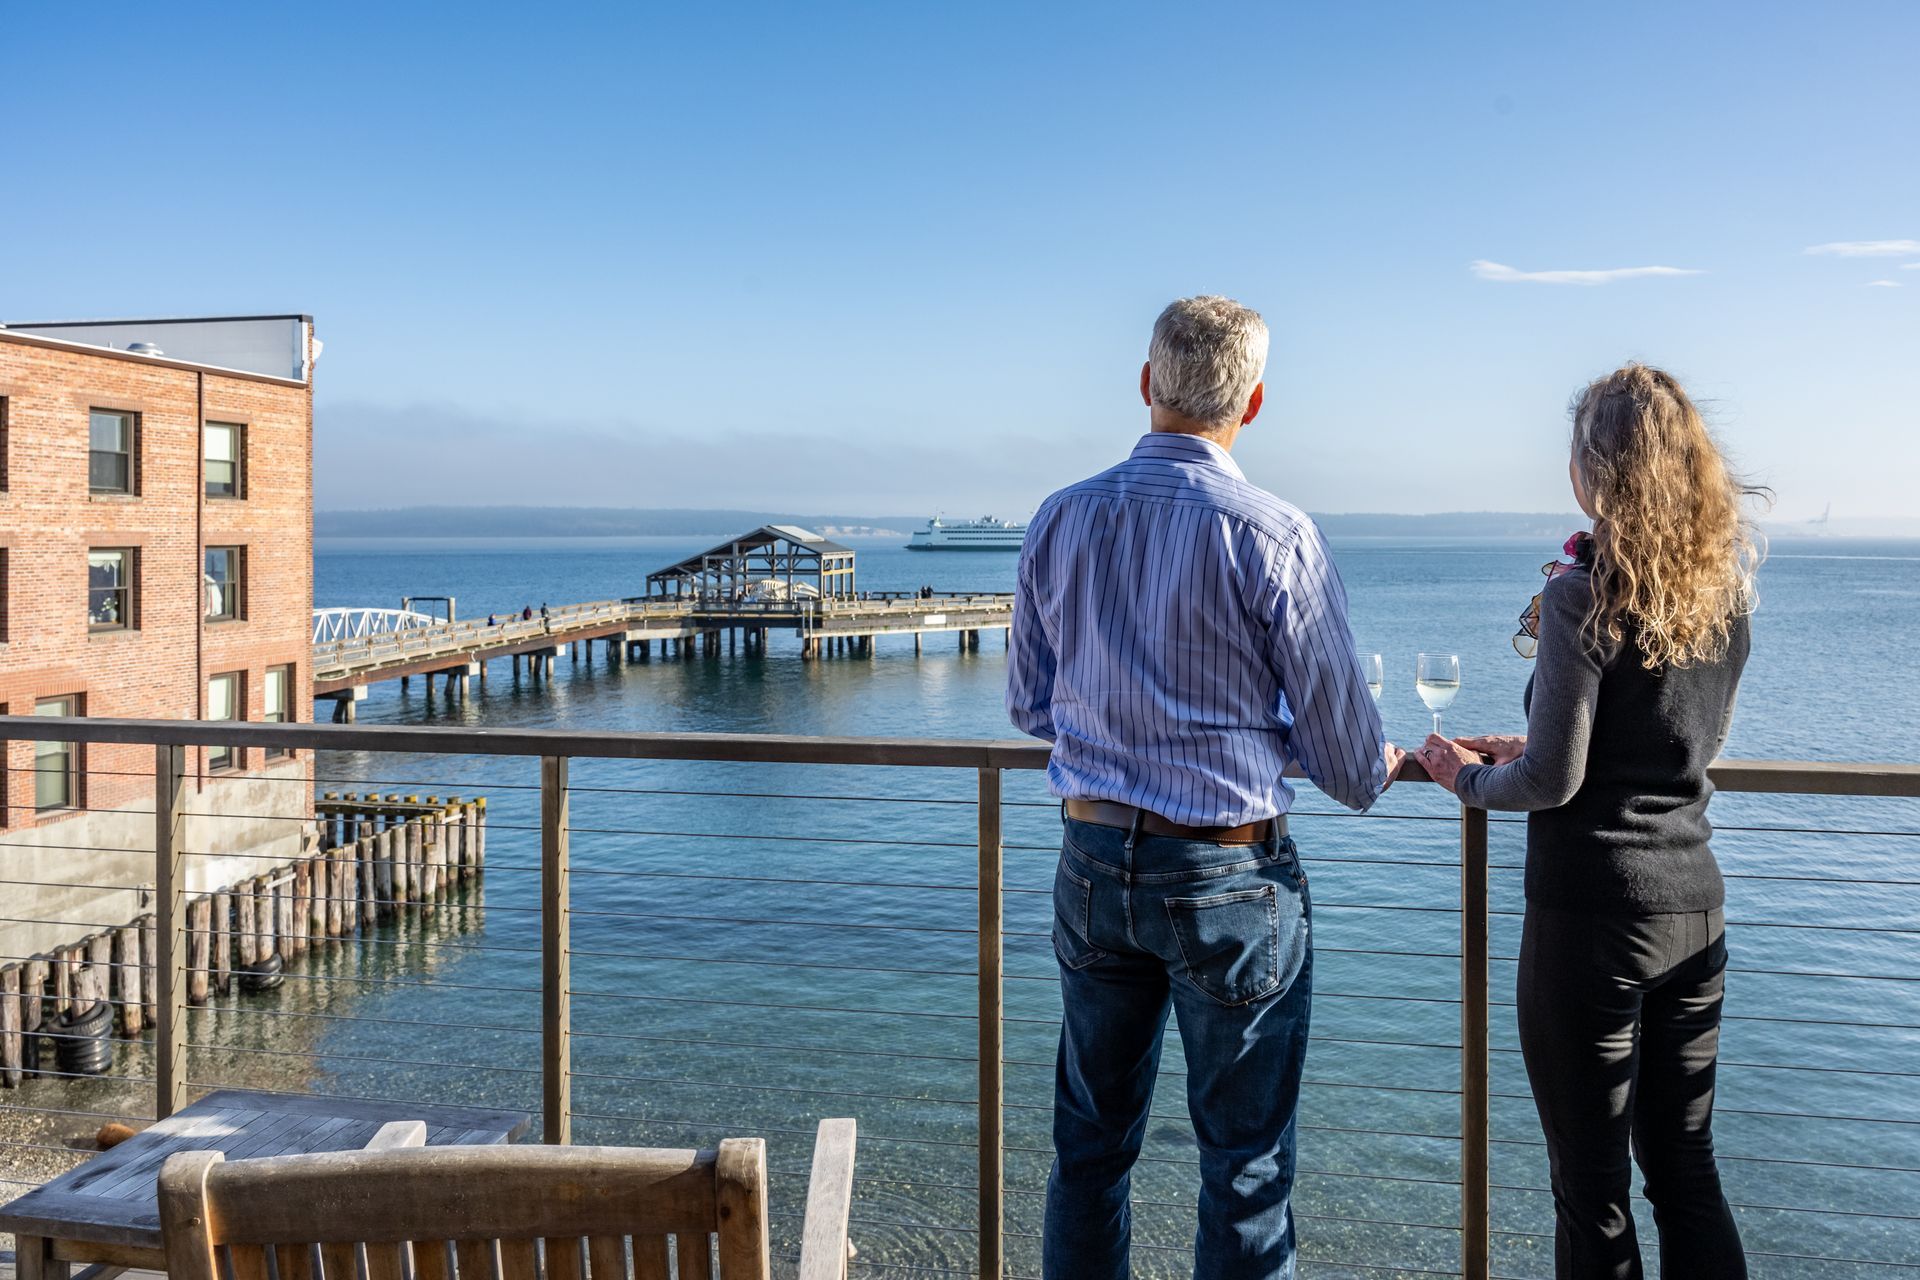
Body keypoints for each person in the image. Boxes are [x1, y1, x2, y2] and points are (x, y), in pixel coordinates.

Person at [1008, 296, 1402, 1280]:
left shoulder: (1061, 517)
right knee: (1245, 1170)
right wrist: (1388, 754)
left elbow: (1028, 705)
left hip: (1094, 859)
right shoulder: (1277, 535)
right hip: (1229, 874)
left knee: (1091, 1154)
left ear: (1147, 386)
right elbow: (1352, 764)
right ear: (1254, 403)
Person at [1416, 363, 1761, 1280]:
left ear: (1592, 468)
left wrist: (1462, 776)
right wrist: (1528, 740)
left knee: (1593, 1184)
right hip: (1694, 909)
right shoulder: (1718, 596)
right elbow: (1681, 746)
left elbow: (1553, 783)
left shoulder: (1583, 593)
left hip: (1592, 917)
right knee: (1685, 1170)